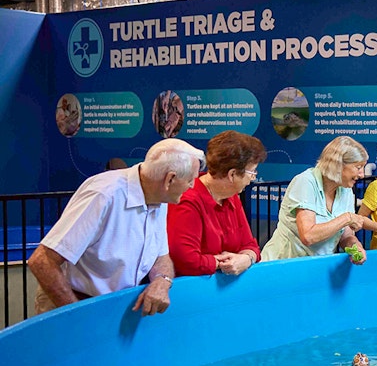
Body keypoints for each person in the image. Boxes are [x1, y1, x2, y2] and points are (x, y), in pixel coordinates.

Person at [27, 138, 205, 316]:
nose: (191, 186)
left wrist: (162, 281)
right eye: (190, 180)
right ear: (169, 179)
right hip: (73, 302)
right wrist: (76, 315)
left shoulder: (160, 197)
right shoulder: (103, 195)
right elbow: (42, 260)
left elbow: (161, 256)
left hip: (113, 306)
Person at [167, 131, 267, 276]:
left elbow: (250, 245)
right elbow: (186, 261)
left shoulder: (232, 196)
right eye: (252, 172)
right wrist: (223, 264)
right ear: (232, 174)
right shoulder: (187, 200)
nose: (253, 179)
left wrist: (246, 259)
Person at [260, 136, 368, 263]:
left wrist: (356, 247)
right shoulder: (305, 182)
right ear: (339, 165)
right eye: (358, 167)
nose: (362, 174)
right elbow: (308, 236)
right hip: (284, 264)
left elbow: (346, 236)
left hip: (316, 266)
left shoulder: (346, 189)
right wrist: (346, 218)